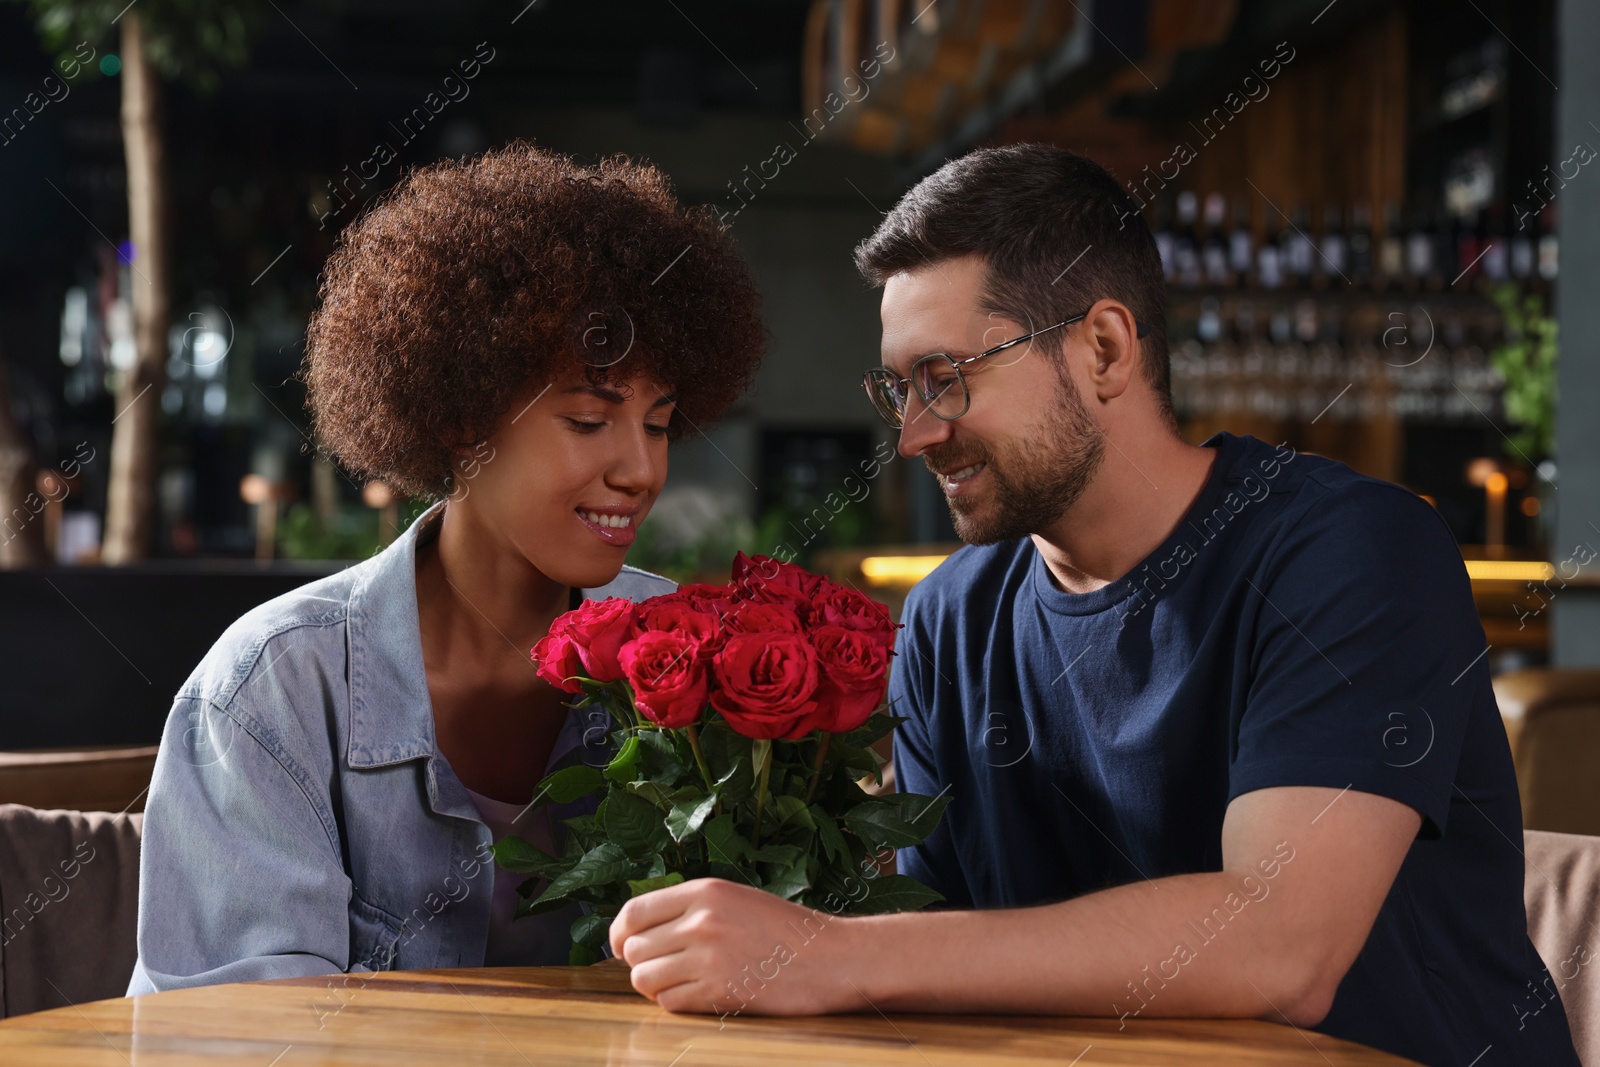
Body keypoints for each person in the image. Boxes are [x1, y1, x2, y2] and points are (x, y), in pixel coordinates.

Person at [606, 144, 1581, 1067]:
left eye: (943, 380)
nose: (912, 436)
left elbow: (1283, 947)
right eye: (896, 389)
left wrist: (828, 953)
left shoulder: (1350, 550)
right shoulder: (949, 619)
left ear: (1104, 348)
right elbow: (952, 945)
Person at [128, 142, 765, 991]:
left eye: (658, 423)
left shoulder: (702, 661)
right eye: (587, 420)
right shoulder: (276, 689)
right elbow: (245, 1040)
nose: (641, 469)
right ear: (464, 422)